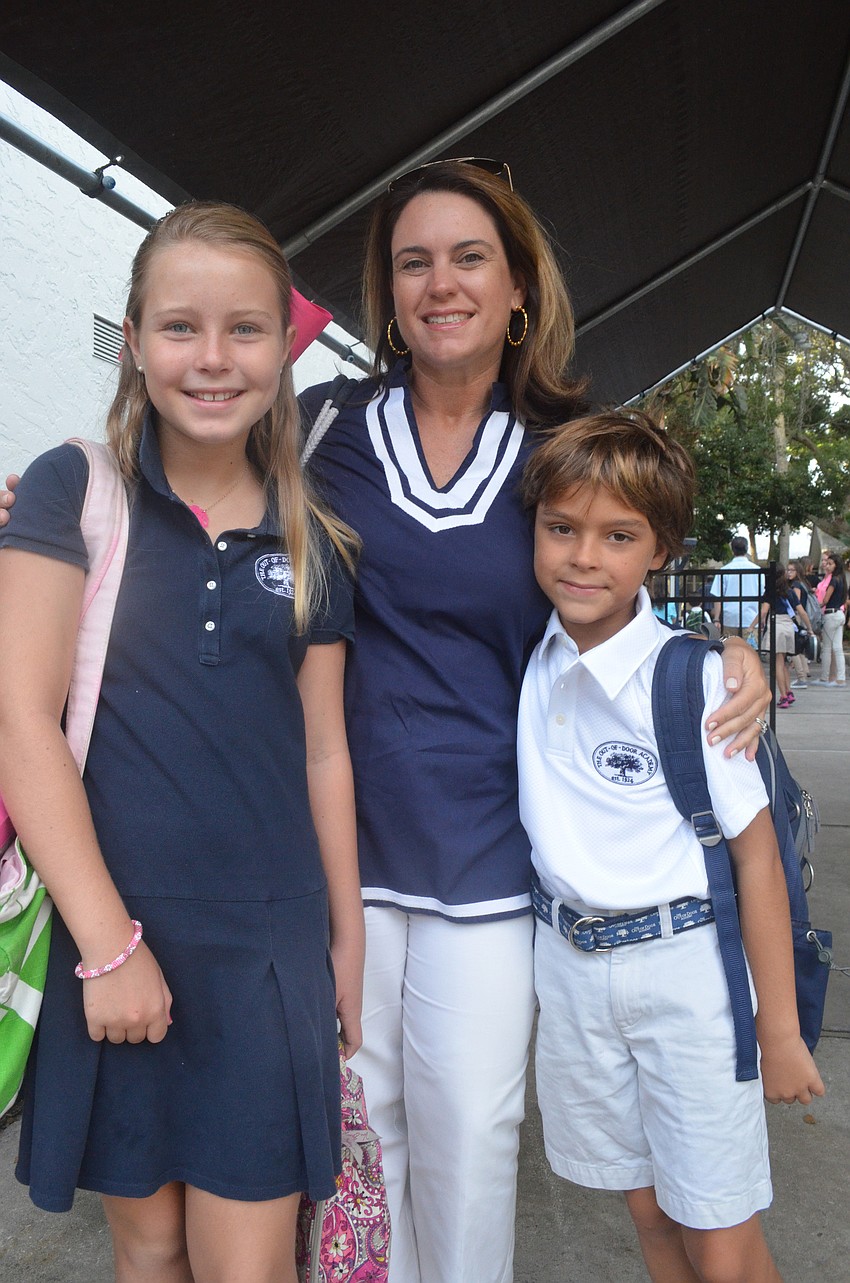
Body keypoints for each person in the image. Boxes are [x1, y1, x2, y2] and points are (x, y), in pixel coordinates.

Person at [0, 162, 771, 1283]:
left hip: (486, 861)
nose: (440, 283)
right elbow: (157, 485)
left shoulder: (562, 438)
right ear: (384, 292)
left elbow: (618, 571)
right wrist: (33, 501)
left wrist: (726, 650)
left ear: (519, 288)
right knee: (355, 1158)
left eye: (470, 258)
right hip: (329, 867)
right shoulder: (315, 429)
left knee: (468, 1141)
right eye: (413, 262)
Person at [0, 202, 364, 1283]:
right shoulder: (73, 490)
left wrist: (346, 939)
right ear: (135, 337)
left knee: (246, 1262)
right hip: (108, 929)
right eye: (179, 327)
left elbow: (324, 754)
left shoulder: (313, 537)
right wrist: (108, 950)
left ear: (282, 348)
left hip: (265, 950)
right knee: (147, 1244)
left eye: (245, 329)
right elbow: (22, 719)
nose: (213, 358)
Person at [518, 409, 824, 1283]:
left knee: (721, 1239)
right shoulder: (526, 659)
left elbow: (757, 856)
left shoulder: (697, 680)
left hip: (687, 980)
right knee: (650, 1217)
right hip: (572, 972)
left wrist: (782, 1027)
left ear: (660, 549)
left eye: (618, 536)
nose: (584, 556)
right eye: (562, 528)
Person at [752, 565, 814, 708]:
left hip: (777, 625)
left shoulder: (770, 592)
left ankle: (783, 696)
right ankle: (789, 691)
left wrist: (752, 625)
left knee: (777, 664)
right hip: (788, 626)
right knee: (784, 662)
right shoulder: (789, 591)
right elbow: (802, 612)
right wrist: (809, 628)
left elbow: (763, 612)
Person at [710, 534, 762, 634]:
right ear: (746, 549)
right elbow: (763, 595)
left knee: (730, 647)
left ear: (732, 550)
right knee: (751, 649)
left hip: (729, 618)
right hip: (751, 618)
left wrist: (716, 618)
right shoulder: (757, 570)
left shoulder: (724, 570)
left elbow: (717, 596)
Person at [812, 551, 847, 686]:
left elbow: (826, 599)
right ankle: (841, 678)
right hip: (839, 613)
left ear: (836, 565)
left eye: (830, 563)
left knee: (827, 648)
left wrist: (816, 606)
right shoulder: (842, 580)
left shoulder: (833, 580)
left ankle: (825, 677)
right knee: (838, 648)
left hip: (831, 614)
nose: (828, 566)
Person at [786, 561, 813, 686]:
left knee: (794, 649)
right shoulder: (803, 583)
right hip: (799, 617)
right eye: (788, 570)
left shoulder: (795, 585)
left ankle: (801, 677)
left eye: (792, 570)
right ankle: (804, 673)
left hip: (795, 617)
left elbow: (795, 603)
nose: (789, 572)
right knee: (800, 648)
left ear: (797, 572)